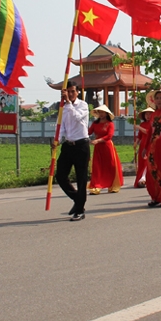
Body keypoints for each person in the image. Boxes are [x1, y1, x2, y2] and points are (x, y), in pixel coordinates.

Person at [55, 83, 90, 221]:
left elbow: (77, 118)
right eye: (67, 92)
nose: (70, 94)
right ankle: (78, 199)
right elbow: (62, 126)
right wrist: (56, 139)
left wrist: (68, 103)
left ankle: (80, 209)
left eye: (72, 91)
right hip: (68, 145)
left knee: (81, 177)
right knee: (60, 175)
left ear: (77, 92)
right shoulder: (63, 107)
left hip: (81, 144)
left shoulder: (83, 105)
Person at [87, 105, 123, 195]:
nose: (101, 114)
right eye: (99, 112)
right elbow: (88, 132)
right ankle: (96, 186)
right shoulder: (95, 123)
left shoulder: (110, 124)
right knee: (97, 166)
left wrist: (98, 140)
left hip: (107, 146)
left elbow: (109, 136)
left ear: (107, 113)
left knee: (110, 166)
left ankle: (112, 185)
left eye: (102, 112)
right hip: (98, 148)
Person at [134, 107, 154, 188]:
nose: (148, 116)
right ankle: (141, 178)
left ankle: (145, 179)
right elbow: (140, 135)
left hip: (151, 144)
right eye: (146, 114)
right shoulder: (143, 124)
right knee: (142, 162)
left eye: (150, 114)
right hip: (143, 145)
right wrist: (136, 142)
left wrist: (138, 127)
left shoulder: (153, 123)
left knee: (148, 162)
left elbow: (148, 132)